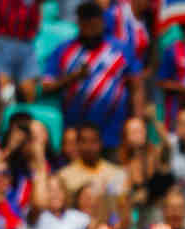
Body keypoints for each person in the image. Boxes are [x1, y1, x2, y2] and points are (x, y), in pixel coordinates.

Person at [41, 1, 141, 152]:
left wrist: (136, 120)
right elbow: (46, 86)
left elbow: (137, 87)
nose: (92, 31)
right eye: (87, 26)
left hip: (114, 133)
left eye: (96, 25)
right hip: (75, 135)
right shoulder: (64, 51)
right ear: (80, 24)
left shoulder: (121, 50)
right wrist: (73, 77)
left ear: (102, 22)